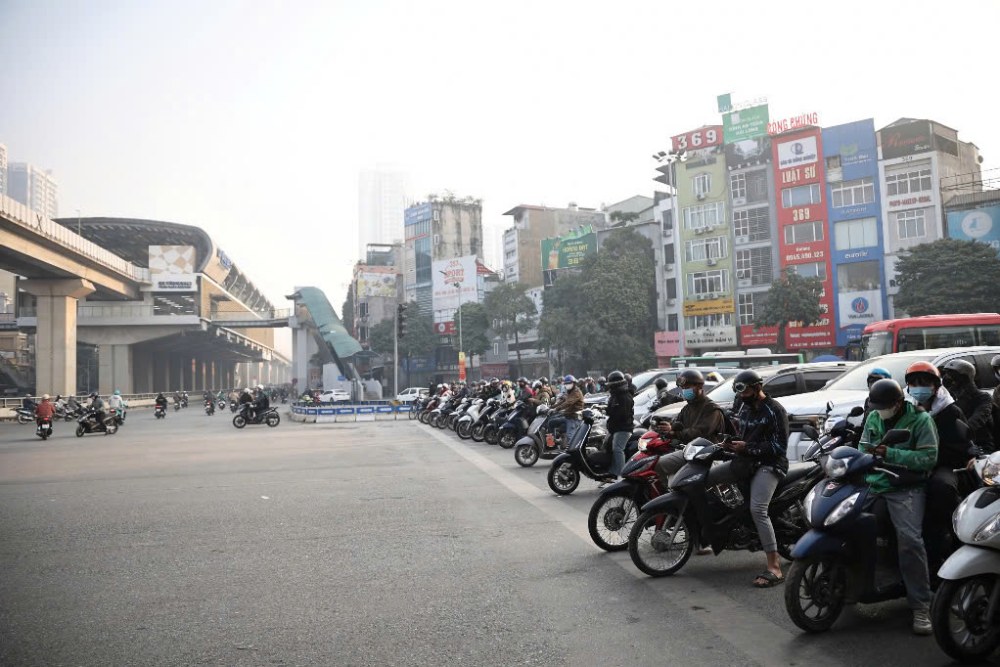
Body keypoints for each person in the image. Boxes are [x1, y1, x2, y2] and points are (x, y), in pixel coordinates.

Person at [861, 378, 938, 635]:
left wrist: (889, 453)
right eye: (876, 406)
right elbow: (862, 447)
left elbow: (928, 458)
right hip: (875, 482)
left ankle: (920, 605)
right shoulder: (873, 417)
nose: (879, 410)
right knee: (843, 521)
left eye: (884, 406)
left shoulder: (920, 420)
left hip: (906, 487)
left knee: (910, 540)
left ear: (898, 403)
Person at [708, 369, 790, 589]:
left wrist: (748, 447)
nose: (742, 397)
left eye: (745, 392)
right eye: (739, 393)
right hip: (744, 461)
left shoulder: (774, 410)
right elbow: (736, 431)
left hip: (770, 465)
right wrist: (727, 442)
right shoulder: (742, 406)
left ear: (757, 388)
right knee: (707, 480)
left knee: (758, 509)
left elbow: (779, 447)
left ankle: (774, 566)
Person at [905, 361, 974, 574]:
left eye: (924, 383)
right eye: (914, 383)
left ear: (935, 386)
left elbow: (962, 446)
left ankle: (957, 537)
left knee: (940, 488)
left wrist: (930, 460)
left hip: (944, 464)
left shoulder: (949, 411)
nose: (919, 387)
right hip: (911, 463)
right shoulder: (906, 409)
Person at [653, 369, 726, 545]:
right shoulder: (687, 408)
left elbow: (699, 433)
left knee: (697, 492)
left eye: (687, 387)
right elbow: (678, 426)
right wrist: (668, 429)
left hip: (709, 456)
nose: (684, 390)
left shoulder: (712, 409)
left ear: (699, 387)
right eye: (682, 387)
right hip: (691, 453)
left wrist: (676, 432)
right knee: (660, 464)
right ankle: (675, 499)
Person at [940, 358, 994, 453]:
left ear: (964, 378)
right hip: (958, 446)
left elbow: (977, 420)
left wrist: (965, 432)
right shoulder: (948, 397)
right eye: (947, 374)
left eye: (952, 376)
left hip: (980, 445)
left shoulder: (983, 397)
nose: (948, 378)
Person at [605, 371, 634, 478]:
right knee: (607, 446)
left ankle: (621, 474)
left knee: (617, 449)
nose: (610, 387)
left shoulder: (624, 396)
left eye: (611, 384)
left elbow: (623, 414)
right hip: (615, 428)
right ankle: (612, 471)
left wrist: (612, 413)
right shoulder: (616, 395)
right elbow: (611, 408)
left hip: (623, 428)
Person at [549, 375, 585, 444]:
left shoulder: (576, 392)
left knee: (570, 436)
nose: (568, 385)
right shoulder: (569, 392)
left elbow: (568, 403)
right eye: (566, 384)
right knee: (551, 422)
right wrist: (551, 408)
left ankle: (572, 452)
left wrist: (556, 409)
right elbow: (563, 401)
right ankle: (551, 444)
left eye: (569, 383)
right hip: (567, 415)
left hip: (574, 417)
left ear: (574, 383)